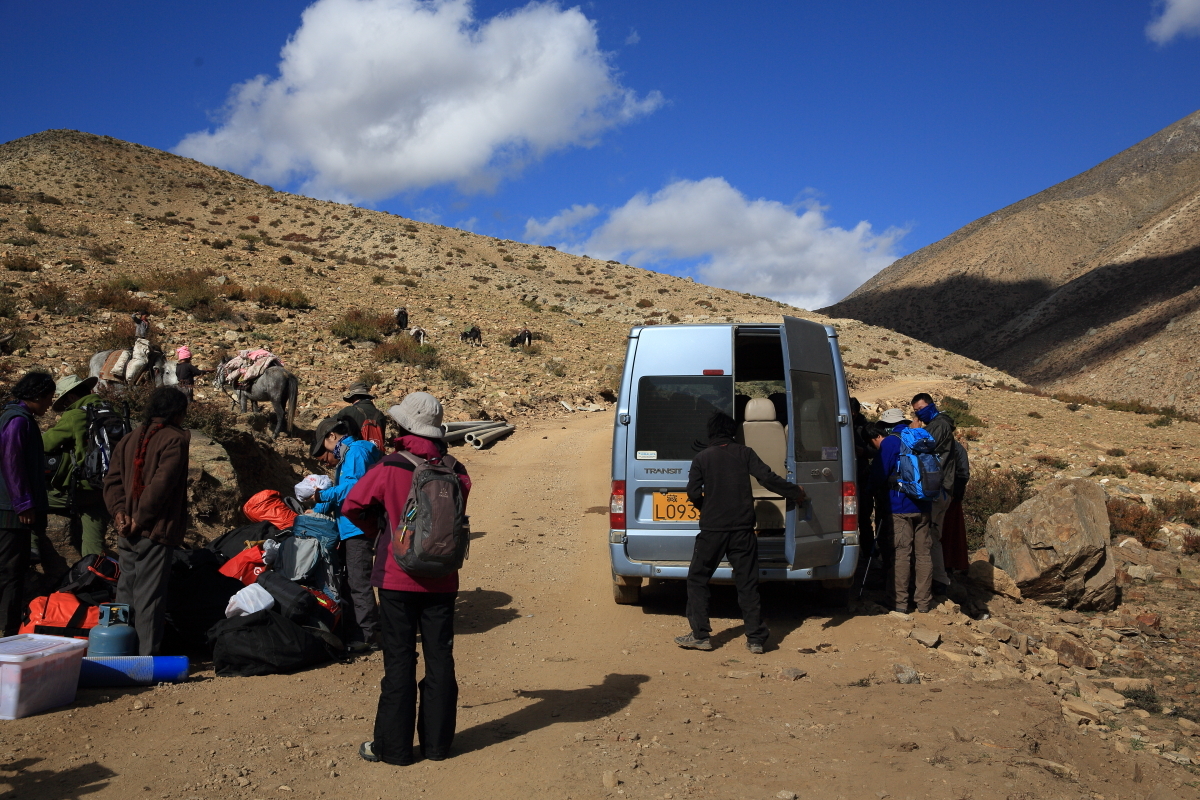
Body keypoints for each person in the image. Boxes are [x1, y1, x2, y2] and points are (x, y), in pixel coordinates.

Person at [342, 392, 471, 766]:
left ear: (402, 426)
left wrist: (384, 532)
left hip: (397, 579)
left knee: (399, 661)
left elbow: (353, 505)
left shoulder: (391, 466)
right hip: (443, 580)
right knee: (440, 659)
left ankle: (393, 749)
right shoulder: (455, 468)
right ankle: (437, 746)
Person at [676, 410, 804, 654]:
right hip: (743, 529)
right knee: (747, 582)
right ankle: (755, 638)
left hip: (712, 530)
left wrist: (707, 507)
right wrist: (794, 492)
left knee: (697, 579)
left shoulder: (702, 458)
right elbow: (767, 478)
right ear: (732, 432)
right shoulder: (745, 453)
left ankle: (700, 635)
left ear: (711, 432)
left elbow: (693, 492)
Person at [102, 386, 190, 655]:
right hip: (154, 530)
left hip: (125, 530)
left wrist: (120, 516)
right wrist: (139, 520)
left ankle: (118, 652)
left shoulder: (129, 439)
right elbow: (161, 486)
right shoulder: (175, 439)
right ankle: (143, 658)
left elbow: (112, 481)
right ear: (178, 412)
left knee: (125, 594)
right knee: (149, 597)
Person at [303, 416, 382, 652]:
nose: (325, 455)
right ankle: (357, 630)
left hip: (358, 527)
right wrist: (317, 509)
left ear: (332, 436)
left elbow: (353, 489)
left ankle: (368, 635)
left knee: (359, 582)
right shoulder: (350, 454)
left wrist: (320, 496)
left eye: (323, 447)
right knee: (351, 582)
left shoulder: (356, 452)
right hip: (351, 527)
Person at [0, 371, 54, 636]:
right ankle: (5, 634)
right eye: (48, 399)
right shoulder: (17, 421)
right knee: (10, 573)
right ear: (37, 396)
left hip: (11, 509)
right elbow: (12, 464)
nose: (49, 405)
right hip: (10, 513)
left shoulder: (19, 418)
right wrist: (24, 504)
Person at [868, 413, 934, 613]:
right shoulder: (921, 438)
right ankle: (923, 603)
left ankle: (899, 602)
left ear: (887, 427)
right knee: (923, 555)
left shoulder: (890, 443)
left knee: (901, 554)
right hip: (924, 505)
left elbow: (879, 474)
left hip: (899, 507)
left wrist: (867, 493)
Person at [42, 374, 110, 557]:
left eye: (64, 403)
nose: (65, 408)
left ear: (71, 397)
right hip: (105, 490)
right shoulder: (111, 412)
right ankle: (96, 577)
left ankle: (32, 547)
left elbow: (46, 443)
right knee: (94, 546)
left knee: (30, 499)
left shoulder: (75, 415)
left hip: (79, 489)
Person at [911, 393, 956, 595]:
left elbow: (922, 447)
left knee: (927, 537)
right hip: (943, 488)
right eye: (915, 411)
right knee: (933, 536)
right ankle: (940, 579)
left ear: (930, 405)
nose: (919, 413)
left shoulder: (938, 425)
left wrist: (913, 432)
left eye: (920, 409)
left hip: (937, 489)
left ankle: (933, 582)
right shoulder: (940, 424)